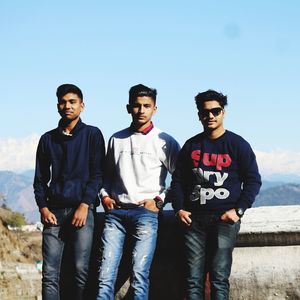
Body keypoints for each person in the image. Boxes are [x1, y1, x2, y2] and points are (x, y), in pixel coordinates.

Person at [169, 89, 261, 300]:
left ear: (223, 113)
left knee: (219, 279)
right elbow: (178, 181)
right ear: (199, 115)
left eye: (215, 111)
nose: (210, 116)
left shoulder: (237, 144)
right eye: (205, 112)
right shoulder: (191, 145)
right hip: (193, 220)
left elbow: (253, 180)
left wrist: (238, 210)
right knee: (192, 280)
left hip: (224, 219)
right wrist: (179, 209)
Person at [97, 84, 180, 300]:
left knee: (139, 275)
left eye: (146, 106)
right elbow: (106, 176)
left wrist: (159, 201)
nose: (141, 110)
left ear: (155, 109)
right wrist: (104, 196)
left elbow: (181, 178)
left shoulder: (165, 141)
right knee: (105, 275)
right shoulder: (117, 139)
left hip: (146, 215)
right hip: (115, 214)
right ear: (128, 108)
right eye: (136, 105)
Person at [33, 84, 105, 300]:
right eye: (63, 102)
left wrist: (85, 205)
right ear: (57, 107)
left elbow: (98, 174)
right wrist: (43, 207)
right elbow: (39, 179)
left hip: (82, 211)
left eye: (72, 102)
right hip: (53, 213)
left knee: (81, 269)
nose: (67, 106)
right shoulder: (48, 139)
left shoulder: (93, 135)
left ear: (82, 106)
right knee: (50, 273)